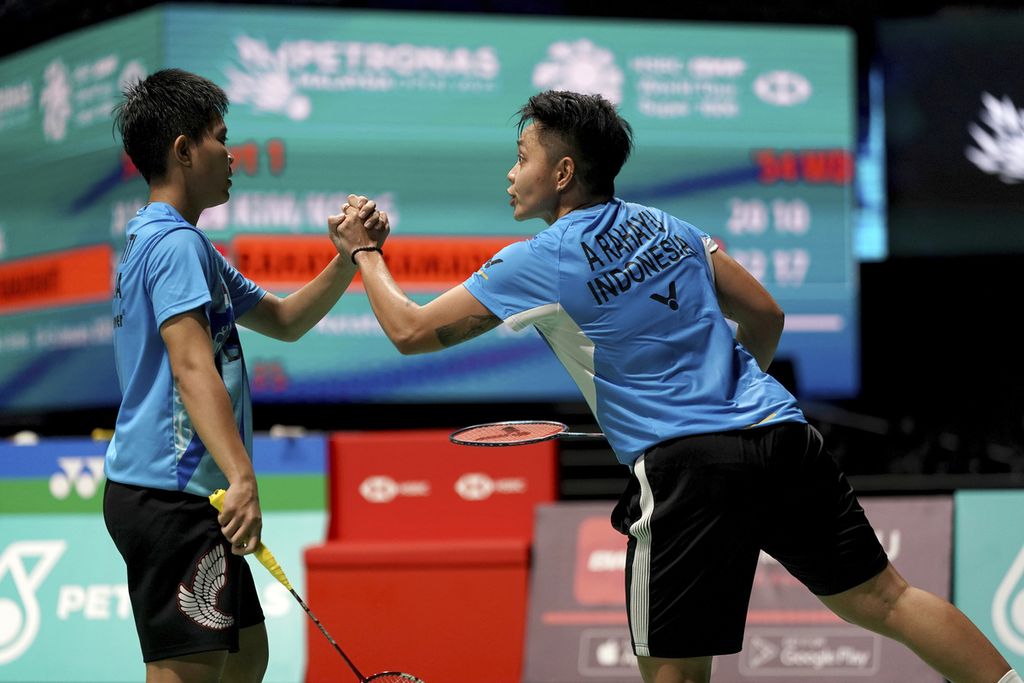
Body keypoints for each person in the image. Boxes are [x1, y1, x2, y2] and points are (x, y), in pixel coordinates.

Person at [328, 89, 1020, 683]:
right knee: (886, 597)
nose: (512, 173)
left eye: (522, 157)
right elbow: (766, 314)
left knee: (675, 668)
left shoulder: (539, 260)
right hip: (779, 435)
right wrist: (729, 391)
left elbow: (411, 331)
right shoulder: (673, 226)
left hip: (688, 469)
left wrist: (365, 253)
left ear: (563, 171)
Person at [104, 68, 388, 683]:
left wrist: (350, 257)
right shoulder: (175, 246)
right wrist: (242, 478)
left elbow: (284, 320)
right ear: (183, 150)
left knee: (246, 656)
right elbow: (189, 365)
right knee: (190, 673)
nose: (232, 154)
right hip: (173, 495)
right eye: (219, 138)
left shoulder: (178, 245)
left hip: (178, 493)